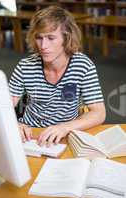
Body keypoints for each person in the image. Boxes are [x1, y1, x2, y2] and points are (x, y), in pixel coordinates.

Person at [9, 6, 106, 146]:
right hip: (31, 133)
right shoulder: (25, 66)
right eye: (39, 38)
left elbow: (99, 112)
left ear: (66, 38)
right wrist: (14, 125)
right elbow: (4, 107)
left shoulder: (83, 65)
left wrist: (65, 127)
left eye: (51, 38)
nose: (43, 46)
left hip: (66, 132)